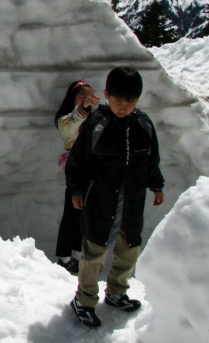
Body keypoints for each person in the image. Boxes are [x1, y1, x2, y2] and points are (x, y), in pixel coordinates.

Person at [65, 67, 165, 328]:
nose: (123, 106)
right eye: (118, 100)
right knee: (94, 253)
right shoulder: (96, 125)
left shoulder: (144, 125)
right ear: (107, 95)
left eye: (130, 101)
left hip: (131, 203)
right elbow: (77, 162)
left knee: (128, 251)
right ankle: (84, 301)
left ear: (138, 99)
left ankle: (116, 292)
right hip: (100, 201)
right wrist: (76, 189)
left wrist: (156, 185)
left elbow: (151, 160)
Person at [53, 80, 100, 274]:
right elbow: (68, 128)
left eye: (89, 96)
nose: (87, 100)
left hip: (93, 168)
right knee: (72, 213)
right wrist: (82, 109)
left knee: (85, 214)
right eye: (82, 96)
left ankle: (77, 253)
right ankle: (63, 256)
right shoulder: (66, 119)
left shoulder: (95, 118)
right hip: (76, 168)